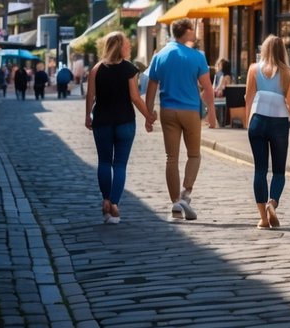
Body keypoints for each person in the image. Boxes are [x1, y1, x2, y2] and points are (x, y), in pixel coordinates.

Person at [144, 18, 215, 221]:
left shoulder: (160, 55)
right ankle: (186, 193)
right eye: (192, 29)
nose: (194, 32)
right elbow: (207, 87)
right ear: (186, 31)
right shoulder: (197, 57)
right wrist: (212, 113)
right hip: (190, 111)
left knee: (171, 158)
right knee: (194, 155)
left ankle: (175, 203)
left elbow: (151, 87)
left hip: (168, 111)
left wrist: (149, 114)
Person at [85, 32, 155, 224]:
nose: (130, 47)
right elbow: (135, 97)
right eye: (127, 45)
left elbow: (90, 96)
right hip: (125, 122)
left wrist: (87, 116)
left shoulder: (96, 69)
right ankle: (114, 203)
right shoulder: (129, 69)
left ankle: (106, 200)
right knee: (120, 164)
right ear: (119, 47)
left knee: (104, 162)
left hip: (102, 122)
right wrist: (148, 116)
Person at [243, 36, 290, 230]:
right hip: (279, 123)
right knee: (278, 170)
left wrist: (246, 121)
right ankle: (272, 203)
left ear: (264, 49)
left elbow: (248, 99)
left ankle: (263, 219)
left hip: (257, 121)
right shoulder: (289, 72)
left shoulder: (253, 69)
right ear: (282, 50)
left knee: (259, 170)